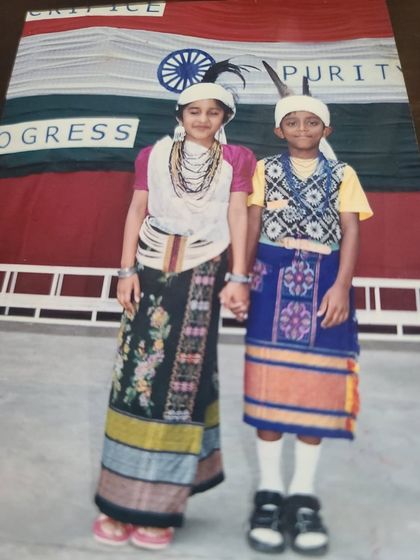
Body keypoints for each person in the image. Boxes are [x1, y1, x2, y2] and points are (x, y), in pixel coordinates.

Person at [93, 61, 256, 550]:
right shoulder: (153, 154)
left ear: (225, 117)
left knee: (180, 384)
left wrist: (239, 276)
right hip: (148, 269)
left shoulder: (239, 158)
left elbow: (238, 215)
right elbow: (137, 210)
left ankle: (161, 508)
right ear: (180, 114)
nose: (203, 119)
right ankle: (117, 499)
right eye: (194, 111)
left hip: (203, 270)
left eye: (213, 112)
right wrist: (124, 271)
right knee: (133, 379)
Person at [244, 92, 373, 556]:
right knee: (270, 383)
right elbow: (252, 225)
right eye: (293, 122)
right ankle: (269, 493)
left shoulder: (343, 173)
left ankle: (302, 495)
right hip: (270, 281)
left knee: (315, 387)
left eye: (312, 122)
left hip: (324, 282)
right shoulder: (263, 170)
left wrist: (341, 287)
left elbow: (351, 229)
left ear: (327, 130)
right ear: (279, 130)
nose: (302, 129)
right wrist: (240, 278)